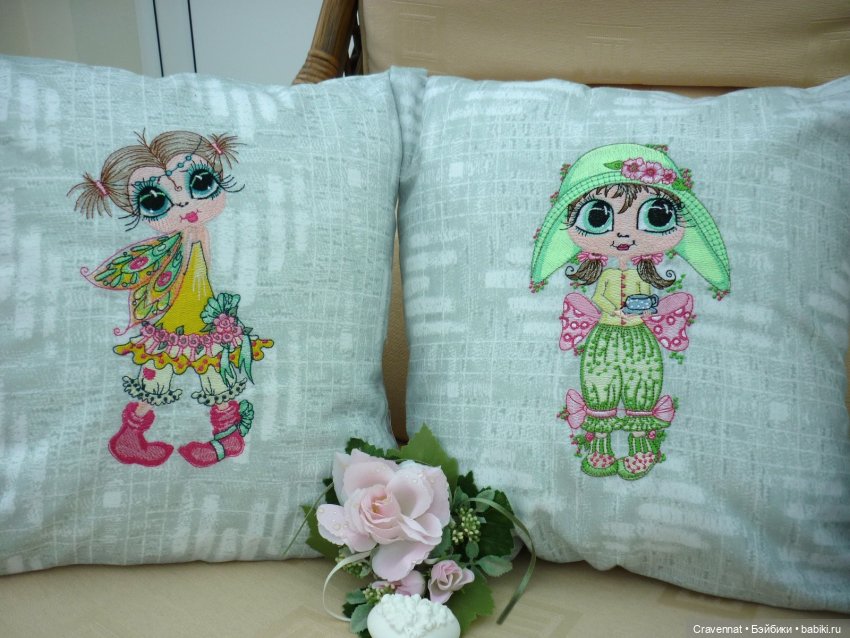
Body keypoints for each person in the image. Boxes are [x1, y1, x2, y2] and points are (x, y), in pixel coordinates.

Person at [70, 130, 273, 468]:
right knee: (160, 375)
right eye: (155, 201)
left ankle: (226, 438)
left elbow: (203, 277)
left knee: (210, 375)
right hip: (176, 321)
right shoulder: (172, 244)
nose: (184, 204)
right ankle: (132, 438)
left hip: (203, 319)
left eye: (201, 184)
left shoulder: (198, 233)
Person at [530, 143, 729, 479]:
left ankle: (642, 449)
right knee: (601, 386)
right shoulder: (607, 276)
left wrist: (646, 308)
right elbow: (601, 300)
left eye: (656, 215)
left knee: (641, 387)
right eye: (598, 216)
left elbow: (649, 301)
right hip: (606, 337)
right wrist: (615, 309)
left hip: (639, 338)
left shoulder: (642, 276)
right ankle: (600, 448)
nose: (623, 233)